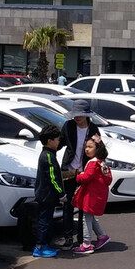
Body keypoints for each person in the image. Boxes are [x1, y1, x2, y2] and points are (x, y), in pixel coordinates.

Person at [59, 101, 102, 248]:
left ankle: (82, 238)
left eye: (80, 114)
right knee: (68, 205)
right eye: (75, 114)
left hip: (86, 173)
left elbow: (99, 149)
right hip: (69, 171)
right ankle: (68, 238)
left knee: (84, 207)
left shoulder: (93, 129)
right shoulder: (68, 126)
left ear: (86, 115)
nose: (77, 117)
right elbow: (60, 143)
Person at [71, 137, 113, 254]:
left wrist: (77, 176)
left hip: (91, 195)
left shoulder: (93, 163)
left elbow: (86, 178)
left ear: (97, 148)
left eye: (90, 147)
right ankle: (101, 236)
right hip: (98, 194)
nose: (87, 149)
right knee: (90, 217)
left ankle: (86, 243)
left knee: (86, 218)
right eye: (86, 147)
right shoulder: (101, 162)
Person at [33, 124, 65, 258]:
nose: (59, 142)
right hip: (46, 195)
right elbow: (53, 178)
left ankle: (44, 244)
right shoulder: (48, 157)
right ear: (50, 141)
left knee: (46, 220)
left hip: (46, 195)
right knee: (44, 221)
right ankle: (39, 246)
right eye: (57, 140)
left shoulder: (49, 154)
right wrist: (61, 194)